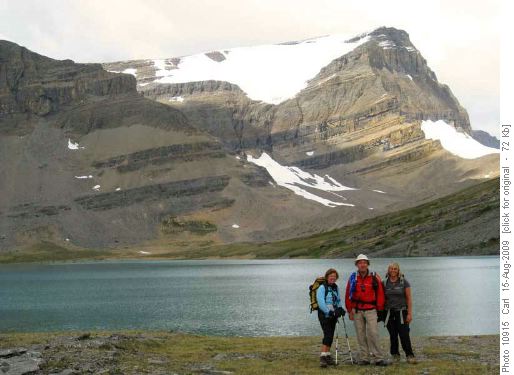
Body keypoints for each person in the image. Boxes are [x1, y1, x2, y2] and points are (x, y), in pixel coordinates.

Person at [345, 254, 388, 366]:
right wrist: (349, 310)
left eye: (364, 262)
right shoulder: (353, 277)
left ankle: (378, 357)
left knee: (373, 333)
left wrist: (380, 310)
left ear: (368, 264)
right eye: (360, 262)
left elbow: (380, 294)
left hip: (371, 310)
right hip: (357, 310)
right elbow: (348, 294)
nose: (362, 264)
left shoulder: (374, 277)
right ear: (357, 265)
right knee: (360, 334)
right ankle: (365, 358)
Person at [383, 262, 417, 364]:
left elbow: (409, 299)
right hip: (389, 313)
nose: (393, 270)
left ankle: (409, 355)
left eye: (395, 269)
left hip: (402, 312)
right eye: (391, 269)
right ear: (388, 270)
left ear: (398, 270)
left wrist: (409, 313)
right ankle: (395, 355)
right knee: (393, 335)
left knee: (404, 334)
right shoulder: (384, 282)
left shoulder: (404, 282)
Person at [316, 268, 345, 367]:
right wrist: (329, 312)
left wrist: (340, 309)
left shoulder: (335, 287)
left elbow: (338, 300)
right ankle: (323, 357)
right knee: (328, 334)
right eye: (331, 276)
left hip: (333, 315)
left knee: (331, 335)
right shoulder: (322, 288)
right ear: (327, 277)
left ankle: (327, 355)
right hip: (324, 315)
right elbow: (321, 303)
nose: (333, 278)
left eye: (334, 276)